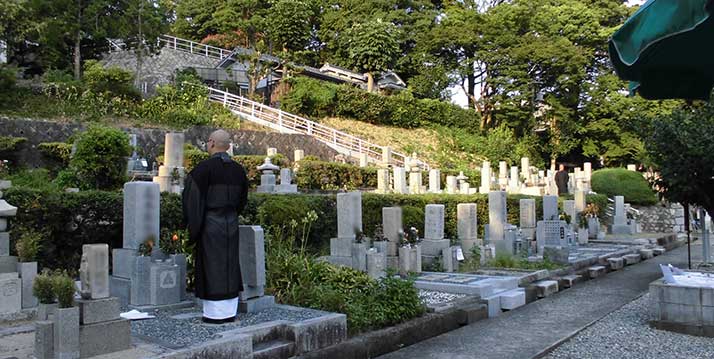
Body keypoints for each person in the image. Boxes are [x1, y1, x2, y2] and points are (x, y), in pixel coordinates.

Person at [182, 130, 248, 324]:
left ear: (211, 143)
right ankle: (229, 311)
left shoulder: (203, 170)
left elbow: (192, 202)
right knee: (229, 265)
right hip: (231, 222)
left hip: (210, 223)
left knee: (212, 266)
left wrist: (193, 229)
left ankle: (214, 314)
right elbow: (243, 200)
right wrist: (231, 214)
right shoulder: (239, 170)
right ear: (228, 146)